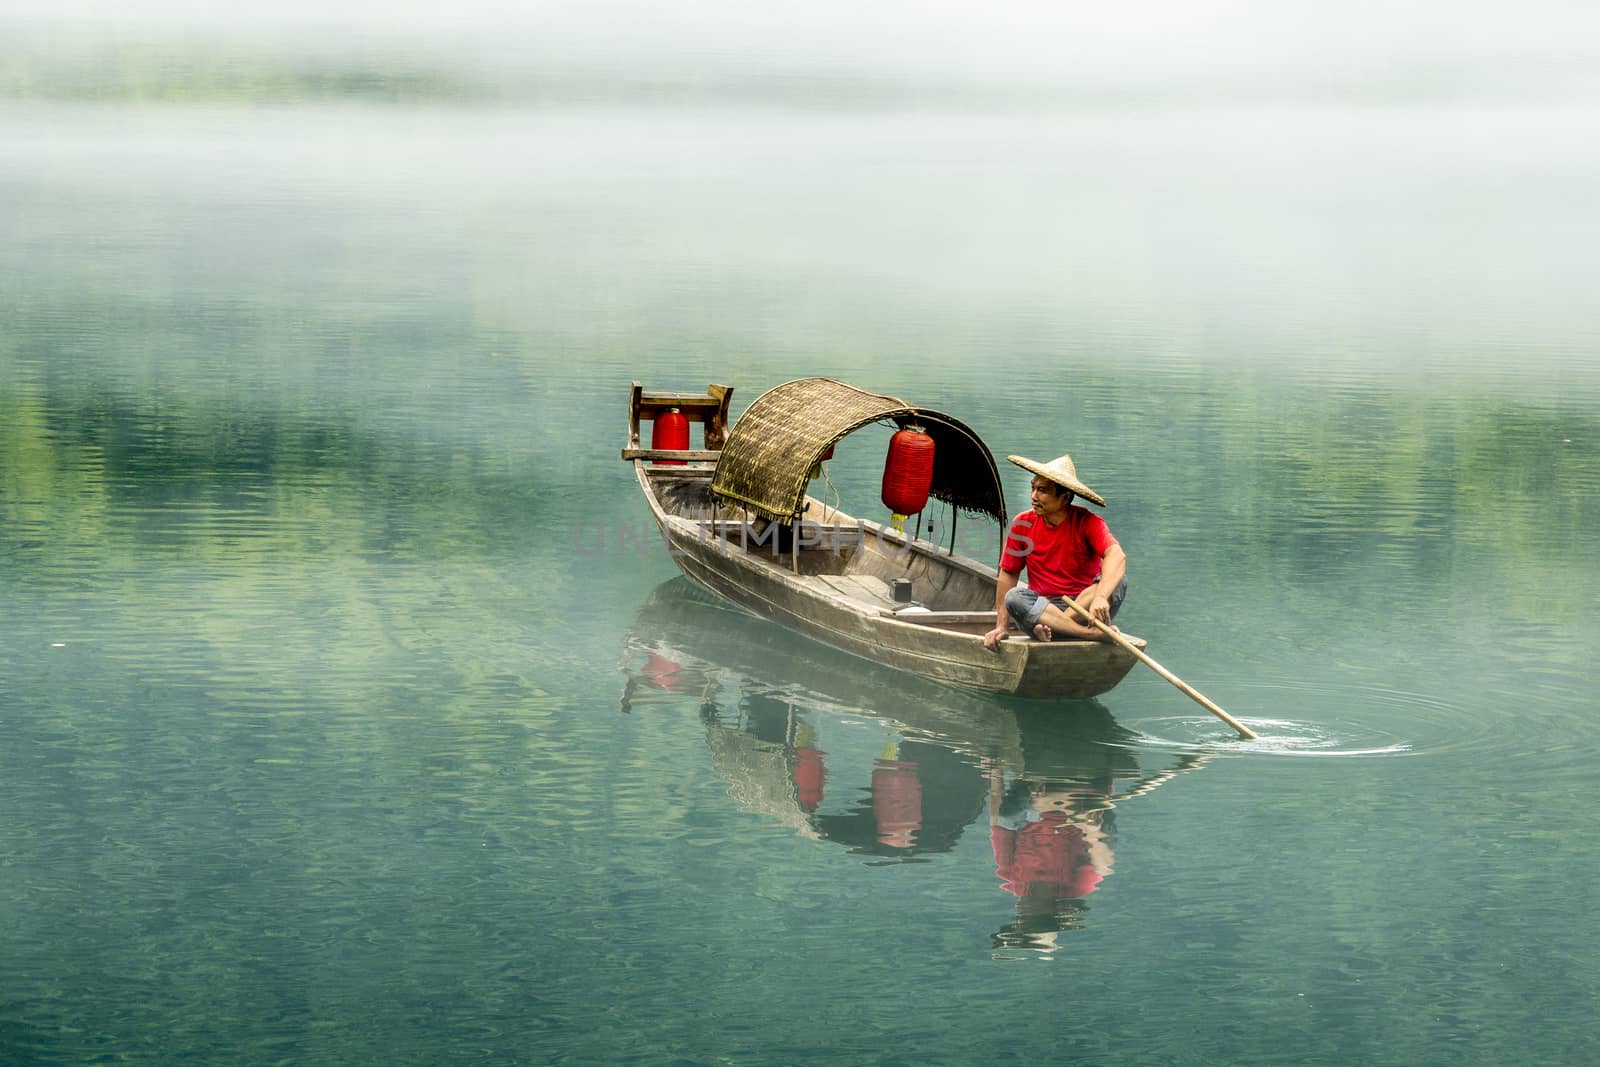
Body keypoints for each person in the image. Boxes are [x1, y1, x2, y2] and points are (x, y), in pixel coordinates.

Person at [982, 453, 1126, 649]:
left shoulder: (1088, 522)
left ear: (1065, 497)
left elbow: (1116, 555)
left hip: (1083, 608)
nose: (1033, 496)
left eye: (1042, 491)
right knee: (1015, 597)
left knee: (1117, 581)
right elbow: (1009, 574)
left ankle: (1059, 629)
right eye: (1033, 488)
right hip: (1043, 610)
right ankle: (1089, 634)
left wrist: (1100, 597)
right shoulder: (1022, 524)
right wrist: (1001, 626)